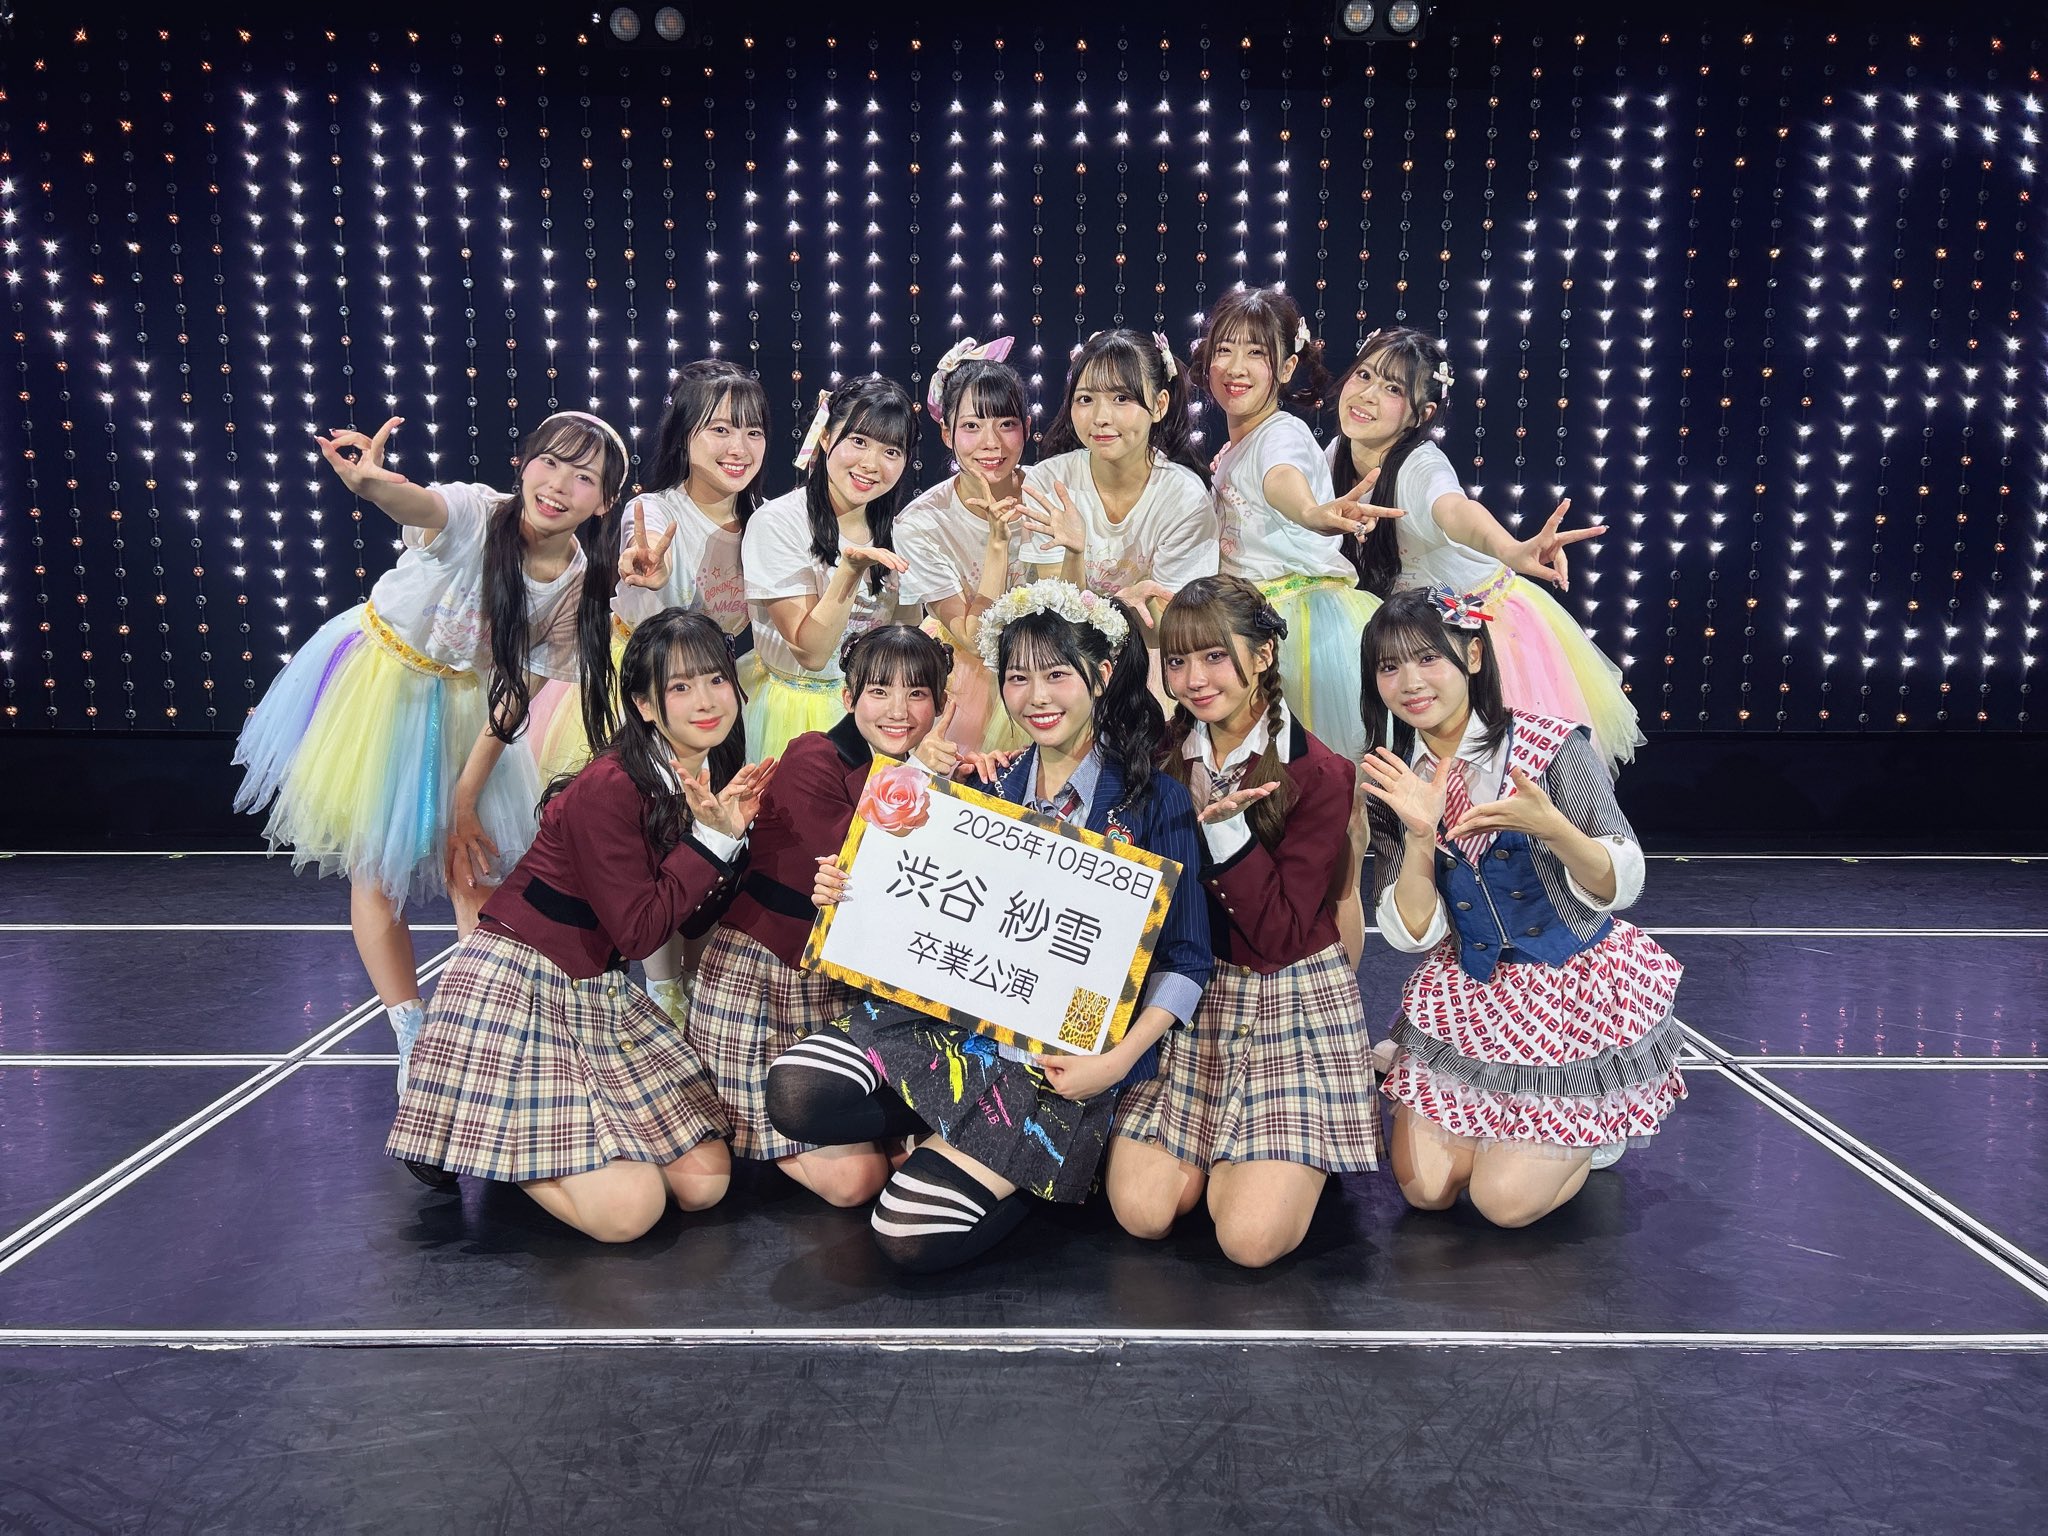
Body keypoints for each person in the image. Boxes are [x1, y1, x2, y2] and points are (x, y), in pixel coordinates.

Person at [768, 580, 1212, 1271]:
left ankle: (1026, 1164)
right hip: (955, 1023)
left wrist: (1115, 1063)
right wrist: (845, 887)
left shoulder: (1156, 799)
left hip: (1059, 1058)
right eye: (1017, 678)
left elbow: (1187, 960)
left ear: (1100, 675)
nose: (1037, 697)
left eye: (1057, 675)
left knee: (907, 1234)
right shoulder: (985, 785)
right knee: (797, 1090)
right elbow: (916, 898)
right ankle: (954, 1127)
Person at [233, 410, 629, 1092]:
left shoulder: (576, 582)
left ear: (605, 502)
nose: (560, 485)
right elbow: (418, 503)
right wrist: (370, 483)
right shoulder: (476, 512)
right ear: (524, 463)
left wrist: (467, 798)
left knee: (476, 871)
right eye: (551, 462)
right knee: (378, 871)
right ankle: (409, 1029)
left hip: (467, 704)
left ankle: (479, 1026)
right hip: (381, 687)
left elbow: (514, 699)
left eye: (584, 477)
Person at [385, 610, 775, 1241]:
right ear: (644, 705)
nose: (705, 701)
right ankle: (482, 1138)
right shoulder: (610, 787)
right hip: (519, 988)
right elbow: (640, 934)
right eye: (680, 687)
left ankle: (530, 1139)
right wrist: (711, 842)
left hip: (598, 993)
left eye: (715, 680)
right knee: (630, 1213)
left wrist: (729, 840)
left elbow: (693, 913)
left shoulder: (707, 773)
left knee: (704, 1185)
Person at [1358, 586, 1686, 1227]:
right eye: (1389, 666)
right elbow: (1413, 933)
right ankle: (1502, 1126)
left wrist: (1555, 829)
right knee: (1426, 1192)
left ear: (1473, 656)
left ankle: (1589, 1123)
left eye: (1428, 658)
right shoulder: (1397, 778)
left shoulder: (1551, 746)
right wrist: (1420, 835)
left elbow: (1623, 879)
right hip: (1471, 990)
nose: (1410, 682)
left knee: (1502, 1204)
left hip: (1568, 991)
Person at [1108, 576, 1381, 1267]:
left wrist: (1228, 837)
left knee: (1249, 1241)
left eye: (1214, 657)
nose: (1194, 680)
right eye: (1177, 661)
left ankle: (1305, 1142)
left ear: (1262, 656)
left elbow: (1282, 935)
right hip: (1184, 999)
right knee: (1143, 1214)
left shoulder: (1320, 772)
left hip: (1282, 1000)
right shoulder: (1160, 754)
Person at [684, 624, 953, 1209]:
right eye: (879, 691)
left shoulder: (936, 774)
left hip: (850, 992)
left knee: (905, 1161)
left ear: (940, 705)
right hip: (764, 983)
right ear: (849, 697)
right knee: (857, 1183)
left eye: (917, 693)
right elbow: (862, 870)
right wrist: (921, 778)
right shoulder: (813, 755)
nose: (899, 710)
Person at [1328, 325, 1642, 770]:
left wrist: (1510, 549)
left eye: (1393, 388)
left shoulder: (1419, 466)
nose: (1368, 395)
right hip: (1418, 638)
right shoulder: (1337, 452)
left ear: (1421, 414)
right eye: (1364, 376)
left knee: (1499, 767)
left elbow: (1456, 511)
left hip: (1484, 629)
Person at [1197, 286, 1392, 764]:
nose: (1235, 367)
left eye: (1256, 353)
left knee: (1318, 776)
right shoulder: (1238, 445)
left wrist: (1310, 512)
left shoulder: (1280, 434)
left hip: (1300, 628)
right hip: (1252, 622)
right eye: (1224, 349)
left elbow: (1280, 479)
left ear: (1286, 368)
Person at [740, 377, 919, 760]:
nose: (871, 464)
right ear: (825, 437)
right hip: (790, 711)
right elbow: (812, 653)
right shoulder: (777, 523)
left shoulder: (901, 533)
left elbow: (902, 637)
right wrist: (849, 572)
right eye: (859, 441)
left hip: (870, 712)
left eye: (891, 451)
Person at [892, 336, 1059, 749]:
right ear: (946, 433)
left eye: (1006, 424)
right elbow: (972, 637)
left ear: (1027, 428)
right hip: (967, 674)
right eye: (971, 426)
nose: (991, 443)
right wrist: (998, 545)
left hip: (1053, 663)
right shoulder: (921, 523)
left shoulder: (1052, 493)